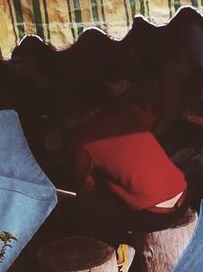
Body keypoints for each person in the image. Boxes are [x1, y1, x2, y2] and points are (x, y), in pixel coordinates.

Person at [68, 84, 189, 258]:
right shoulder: (126, 113)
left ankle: (115, 249)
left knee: (77, 207)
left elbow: (85, 184)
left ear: (71, 120)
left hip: (155, 215)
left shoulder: (82, 138)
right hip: (183, 196)